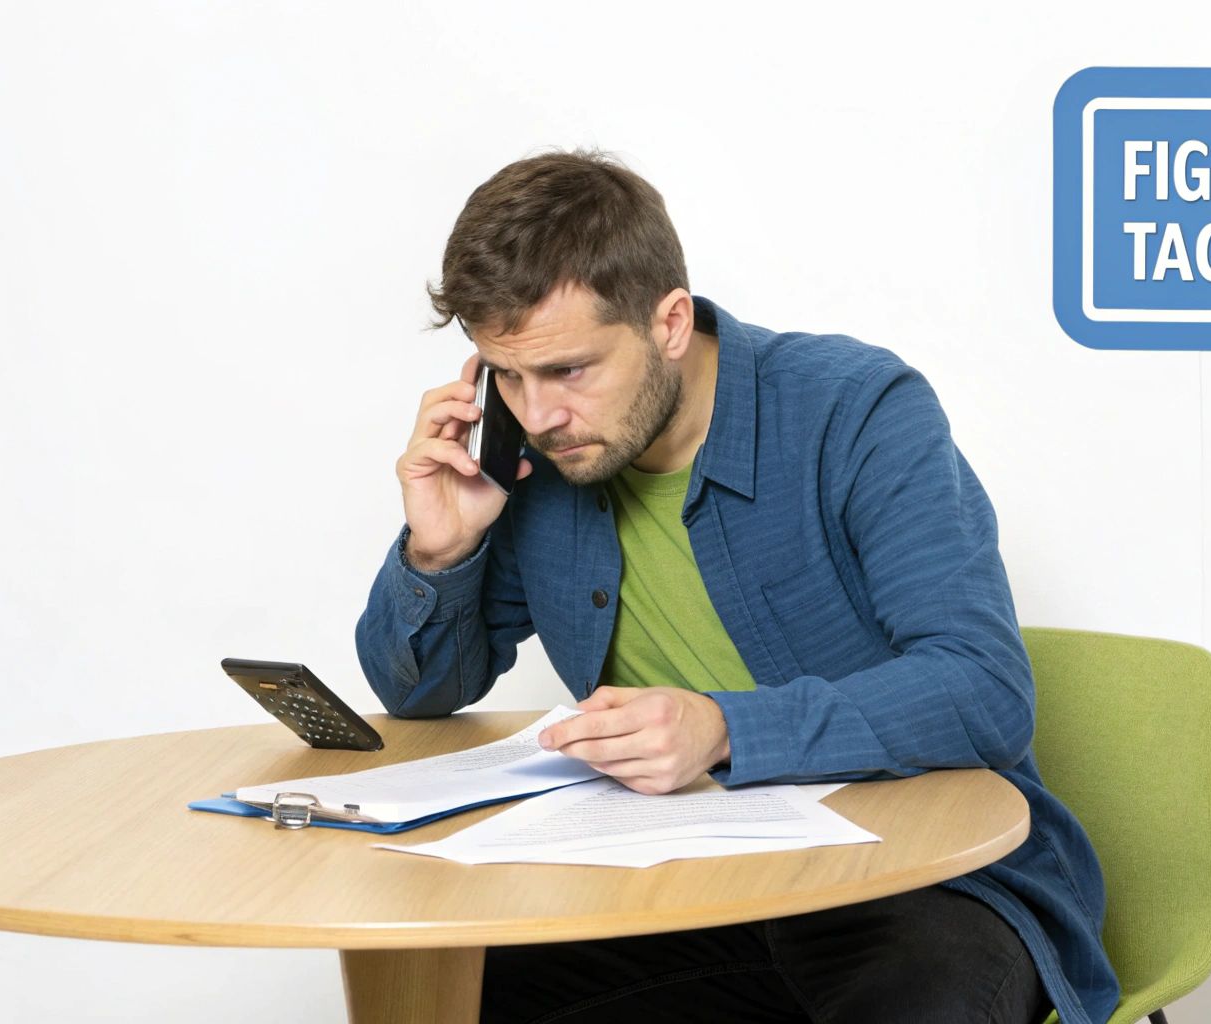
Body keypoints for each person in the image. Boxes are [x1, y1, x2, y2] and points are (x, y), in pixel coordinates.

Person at [354, 148, 1119, 1024]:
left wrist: (722, 728)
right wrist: (441, 550)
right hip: (686, 889)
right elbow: (421, 696)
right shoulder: (542, 462)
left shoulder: (856, 411)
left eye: (568, 370)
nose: (538, 415)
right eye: (507, 375)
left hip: (916, 881)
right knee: (448, 989)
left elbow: (983, 691)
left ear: (670, 322)